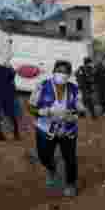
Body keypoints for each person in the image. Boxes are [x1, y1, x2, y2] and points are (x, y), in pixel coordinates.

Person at [28, 60, 81, 197]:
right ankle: (51, 169)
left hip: (67, 131)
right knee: (44, 156)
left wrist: (74, 116)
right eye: (59, 71)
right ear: (53, 72)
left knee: (70, 158)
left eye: (65, 72)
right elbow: (30, 106)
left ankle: (70, 184)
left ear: (69, 75)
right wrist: (41, 112)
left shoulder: (74, 89)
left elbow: (80, 110)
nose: (61, 74)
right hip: (45, 130)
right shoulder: (42, 87)